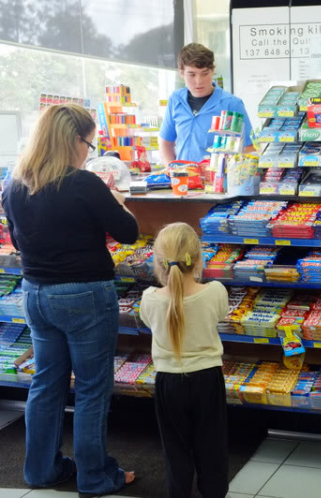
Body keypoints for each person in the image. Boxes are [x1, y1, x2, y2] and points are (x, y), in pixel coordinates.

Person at [2, 104, 138, 496]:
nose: (89, 150)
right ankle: (95, 477)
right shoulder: (84, 183)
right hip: (84, 296)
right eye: (89, 142)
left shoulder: (14, 183)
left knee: (46, 384)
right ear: (73, 139)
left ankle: (41, 470)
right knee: (93, 388)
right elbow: (128, 232)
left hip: (35, 295)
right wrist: (115, 197)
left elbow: (16, 239)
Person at [139, 223, 229, 498]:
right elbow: (220, 316)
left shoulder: (149, 299)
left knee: (175, 449)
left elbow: (148, 323)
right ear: (199, 259)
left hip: (168, 382)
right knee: (211, 445)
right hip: (207, 378)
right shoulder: (215, 292)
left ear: (158, 263)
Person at [159, 43, 255, 165]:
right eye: (192, 74)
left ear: (212, 71)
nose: (199, 81)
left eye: (204, 73)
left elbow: (250, 148)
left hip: (219, 181)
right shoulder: (175, 100)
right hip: (182, 181)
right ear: (181, 73)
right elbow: (166, 142)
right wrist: (171, 170)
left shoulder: (231, 104)